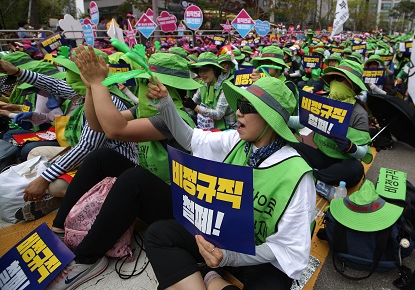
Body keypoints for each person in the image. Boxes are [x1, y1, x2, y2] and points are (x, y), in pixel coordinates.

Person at [45, 45, 200, 290]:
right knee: (101, 157)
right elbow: (97, 124)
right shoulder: (144, 109)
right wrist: (91, 87)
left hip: (179, 206)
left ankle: (86, 259)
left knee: (134, 178)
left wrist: (98, 84)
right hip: (156, 188)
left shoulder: (174, 118)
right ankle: (60, 229)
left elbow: (115, 130)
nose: (141, 87)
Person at [144, 76, 316, 290]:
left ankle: (211, 278)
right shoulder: (236, 140)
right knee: (158, 234)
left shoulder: (298, 175)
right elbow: (190, 139)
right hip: (223, 236)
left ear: (269, 118)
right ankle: (211, 279)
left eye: (246, 106)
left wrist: (229, 258)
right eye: (239, 104)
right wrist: (166, 104)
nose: (238, 112)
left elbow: (286, 248)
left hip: (262, 259)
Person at [0, 47, 138, 220]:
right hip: (89, 158)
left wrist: (44, 178)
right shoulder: (90, 91)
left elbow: (86, 147)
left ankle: (71, 200)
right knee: (34, 152)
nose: (67, 77)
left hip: (110, 169)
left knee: (55, 186)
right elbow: (55, 85)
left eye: (73, 71)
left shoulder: (108, 101)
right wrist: (19, 72)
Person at [289, 60, 373, 187]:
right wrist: (281, 117)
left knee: (356, 169)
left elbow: (362, 151)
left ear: (353, 86)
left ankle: (312, 176)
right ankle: (317, 178)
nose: (335, 82)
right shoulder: (323, 102)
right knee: (288, 144)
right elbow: (301, 121)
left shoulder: (359, 113)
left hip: (342, 162)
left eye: (341, 79)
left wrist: (351, 147)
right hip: (320, 155)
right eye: (335, 78)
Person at [186, 52, 236, 130]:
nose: (202, 74)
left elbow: (218, 114)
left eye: (206, 70)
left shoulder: (225, 87)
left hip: (226, 132)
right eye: (200, 70)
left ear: (215, 70)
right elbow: (194, 101)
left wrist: (195, 107)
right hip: (208, 130)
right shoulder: (203, 85)